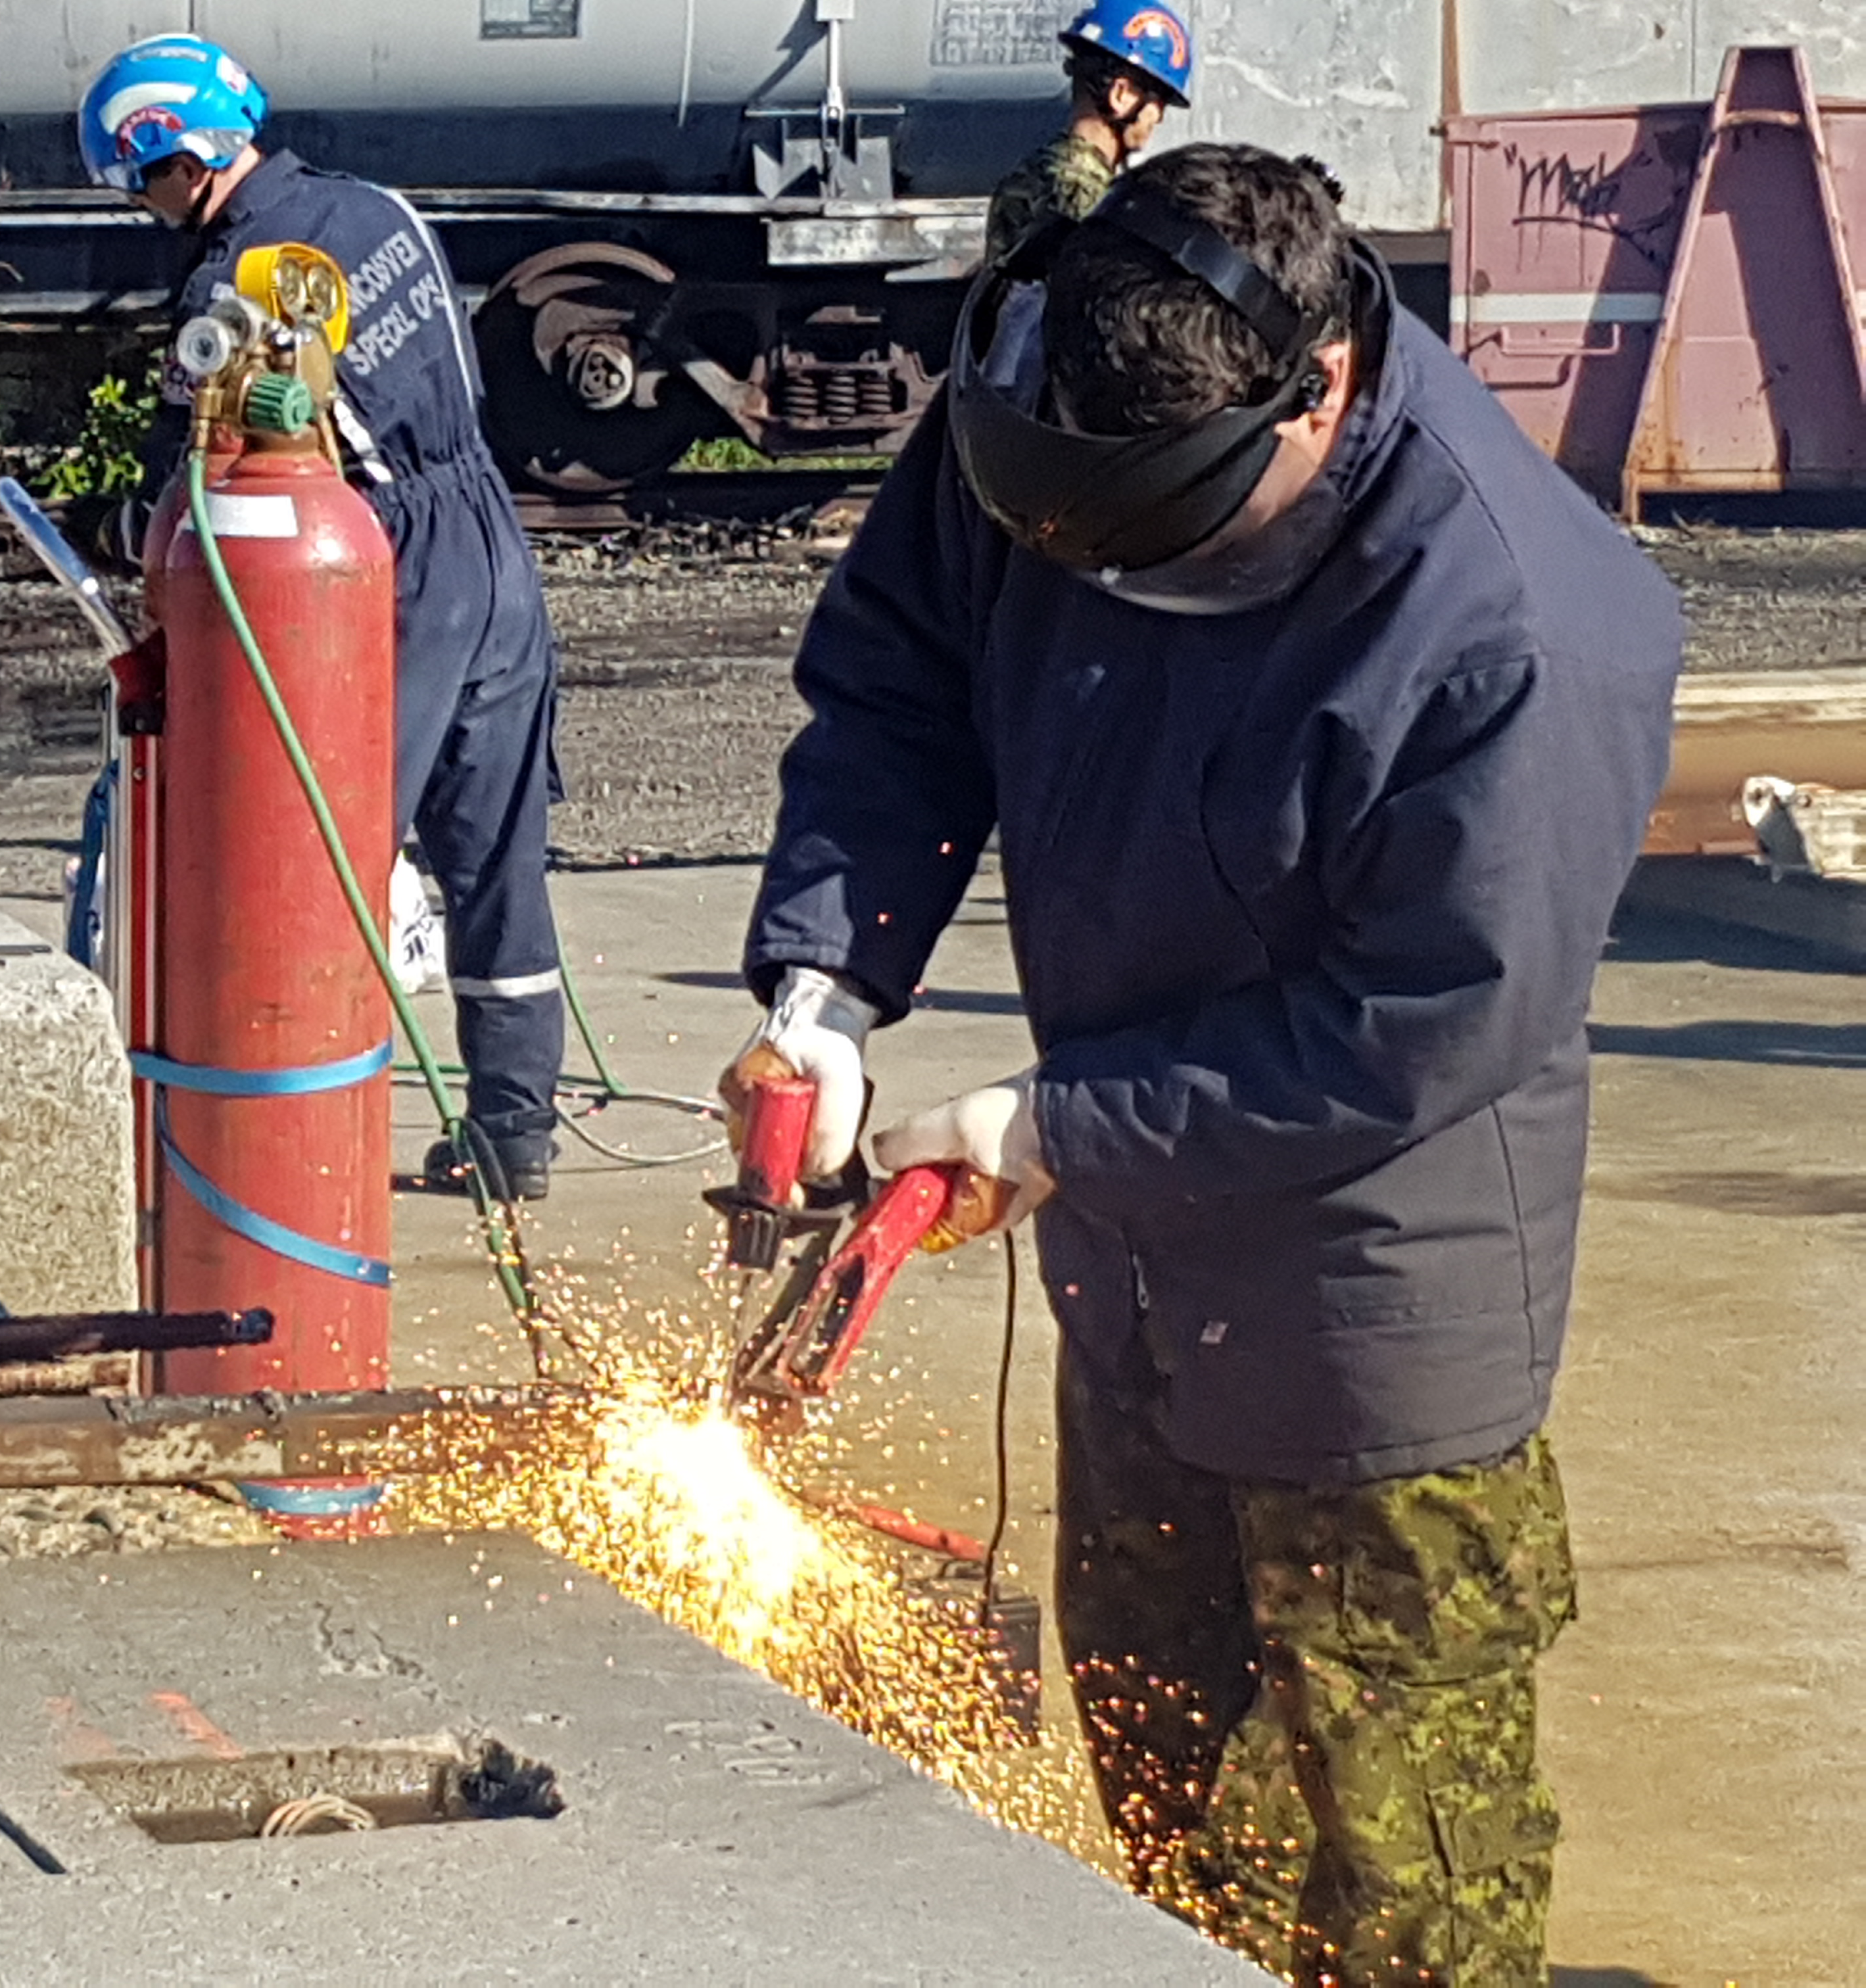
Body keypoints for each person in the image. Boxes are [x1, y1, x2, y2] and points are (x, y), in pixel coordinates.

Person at [729, 145, 1680, 1984]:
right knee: (1166, 1802)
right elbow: (903, 689)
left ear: (1310, 395)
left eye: (1144, 542)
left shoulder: (1517, 634)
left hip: (1369, 1312)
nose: (1084, 578)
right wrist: (827, 987)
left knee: (1399, 1880)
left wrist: (1053, 1126)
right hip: (1138, 1281)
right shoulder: (1051, 406)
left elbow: (1420, 1022)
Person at [85, 33, 567, 1201]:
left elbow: (198, 486)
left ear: (176, 153)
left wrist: (114, 524)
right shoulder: (379, 207)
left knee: (322, 857)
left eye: (137, 178)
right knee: (498, 856)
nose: (143, 207)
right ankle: (514, 1131)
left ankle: (299, 1132)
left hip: (383, 571)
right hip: (491, 541)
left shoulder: (238, 285)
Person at [980, 0, 1194, 268]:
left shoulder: (1034, 171)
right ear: (1121, 95)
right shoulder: (1082, 195)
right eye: (1159, 102)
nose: (1159, 118)